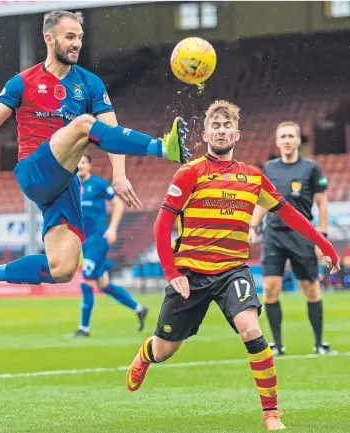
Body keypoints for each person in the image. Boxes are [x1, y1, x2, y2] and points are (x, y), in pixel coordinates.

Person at [0, 10, 189, 299]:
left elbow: (111, 129)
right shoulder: (23, 81)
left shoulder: (90, 84)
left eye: (80, 37)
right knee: (82, 124)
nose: (77, 44)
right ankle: (162, 147)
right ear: (49, 39)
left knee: (62, 269)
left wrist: (119, 174)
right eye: (70, 37)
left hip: (65, 182)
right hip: (34, 170)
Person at [125, 100, 340, 431]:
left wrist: (324, 244)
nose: (221, 131)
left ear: (236, 134)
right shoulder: (189, 172)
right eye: (215, 125)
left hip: (232, 272)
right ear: (206, 132)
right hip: (191, 274)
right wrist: (172, 273)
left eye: (227, 126)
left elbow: (289, 214)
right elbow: (161, 224)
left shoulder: (253, 177)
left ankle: (271, 414)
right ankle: (145, 356)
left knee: (252, 330)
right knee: (165, 349)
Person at [249, 121, 336, 356]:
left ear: (298, 140)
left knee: (311, 288)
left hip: (302, 235)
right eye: (283, 136)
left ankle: (319, 343)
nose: (287, 140)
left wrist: (323, 238)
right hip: (274, 234)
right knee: (270, 288)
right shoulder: (269, 168)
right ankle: (277, 345)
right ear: (277, 142)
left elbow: (322, 204)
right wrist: (253, 226)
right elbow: (262, 201)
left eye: (291, 136)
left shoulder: (311, 168)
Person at [73, 155, 148, 337]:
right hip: (83, 239)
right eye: (78, 162)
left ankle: (84, 328)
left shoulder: (99, 185)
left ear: (90, 165)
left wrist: (112, 229)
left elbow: (118, 204)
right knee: (103, 284)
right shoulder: (72, 185)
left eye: (83, 162)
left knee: (86, 281)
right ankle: (138, 308)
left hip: (98, 239)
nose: (80, 165)